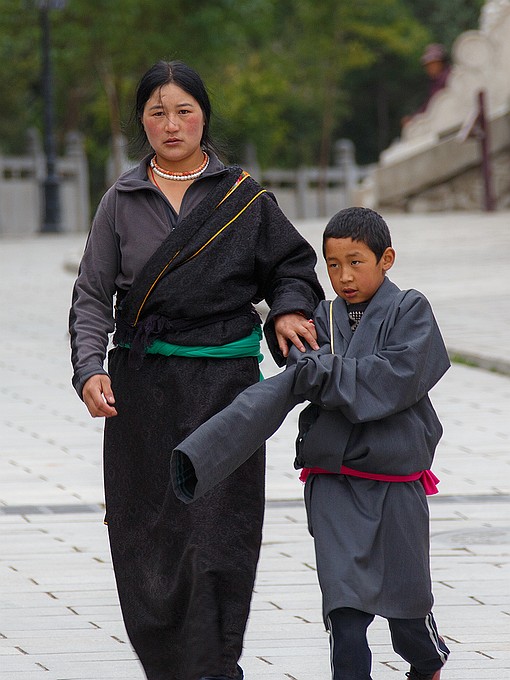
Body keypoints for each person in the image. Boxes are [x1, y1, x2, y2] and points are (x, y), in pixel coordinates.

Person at [69, 59, 324, 680]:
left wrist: (289, 310)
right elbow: (92, 295)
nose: (171, 124)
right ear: (142, 123)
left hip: (224, 392)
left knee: (217, 534)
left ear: (203, 117)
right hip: (143, 391)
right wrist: (89, 367)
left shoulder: (242, 199)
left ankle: (215, 664)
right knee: (149, 538)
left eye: (184, 110)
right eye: (157, 112)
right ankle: (169, 665)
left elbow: (291, 268)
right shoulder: (121, 200)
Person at [171, 207, 451, 680]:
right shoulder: (320, 317)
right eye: (333, 265)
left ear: (386, 259)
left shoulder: (411, 311)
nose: (344, 277)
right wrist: (311, 361)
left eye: (356, 262)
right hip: (334, 483)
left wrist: (325, 371)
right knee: (345, 616)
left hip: (396, 483)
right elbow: (298, 371)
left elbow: (395, 380)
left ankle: (427, 663)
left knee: (407, 615)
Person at [402, 43, 452, 127]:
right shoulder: (434, 82)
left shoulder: (449, 78)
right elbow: (429, 105)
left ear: (442, 63)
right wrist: (414, 119)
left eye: (433, 63)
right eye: (428, 65)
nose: (430, 68)